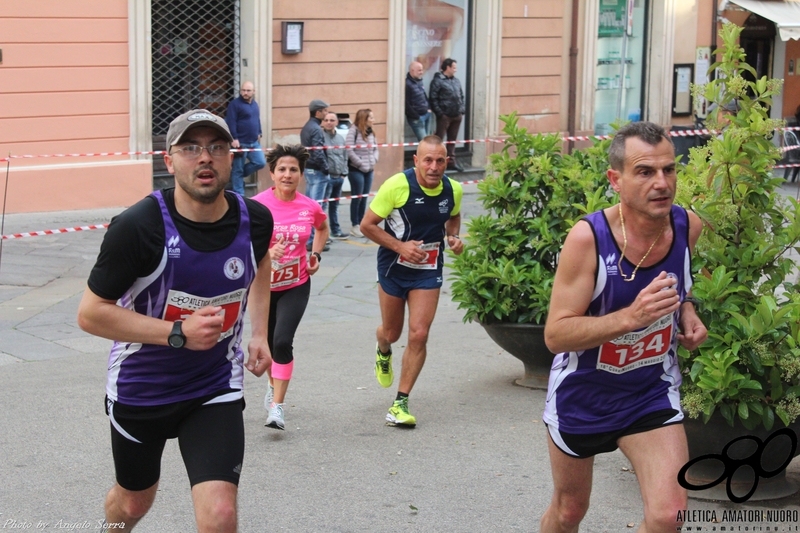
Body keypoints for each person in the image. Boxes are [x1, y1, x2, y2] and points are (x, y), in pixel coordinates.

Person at [76, 109, 275, 532]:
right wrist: (177, 333)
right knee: (132, 505)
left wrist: (259, 333)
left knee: (220, 515)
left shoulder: (254, 219)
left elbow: (260, 262)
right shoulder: (138, 226)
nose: (205, 158)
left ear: (231, 158)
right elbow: (91, 313)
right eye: (190, 148)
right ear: (169, 161)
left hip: (214, 386)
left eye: (216, 148)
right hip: (142, 388)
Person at [540, 121, 708, 533]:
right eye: (645, 172)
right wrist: (631, 318)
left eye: (669, 170)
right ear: (616, 180)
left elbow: (682, 282)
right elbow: (556, 334)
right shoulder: (588, 239)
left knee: (670, 515)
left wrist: (687, 309)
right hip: (584, 396)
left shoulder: (688, 227)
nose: (662, 182)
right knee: (568, 511)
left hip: (649, 391)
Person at [360, 135, 463, 427]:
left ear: (447, 162)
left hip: (429, 269)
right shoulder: (397, 186)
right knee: (393, 332)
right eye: (427, 160)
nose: (433, 167)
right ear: (416, 161)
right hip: (394, 267)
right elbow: (366, 225)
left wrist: (453, 237)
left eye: (440, 160)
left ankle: (400, 403)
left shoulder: (453, 189)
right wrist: (400, 246)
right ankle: (383, 348)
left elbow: (453, 218)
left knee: (419, 333)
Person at [251, 144, 330, 430]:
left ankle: (277, 407)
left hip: (296, 284)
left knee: (283, 341)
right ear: (271, 174)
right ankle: (274, 386)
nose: (287, 174)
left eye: (293, 170)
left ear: (301, 174)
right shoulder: (257, 206)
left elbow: (322, 228)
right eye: (281, 169)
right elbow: (240, 243)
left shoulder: (310, 206)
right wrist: (265, 255)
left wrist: (315, 254)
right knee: (270, 345)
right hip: (263, 288)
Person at [300, 98, 332, 250]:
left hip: (309, 169)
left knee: (309, 205)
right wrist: (326, 168)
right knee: (316, 207)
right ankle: (312, 240)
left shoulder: (307, 127)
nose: (326, 115)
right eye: (324, 111)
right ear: (318, 112)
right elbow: (317, 151)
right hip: (317, 171)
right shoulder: (316, 129)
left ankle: (308, 238)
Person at [225, 81, 266, 196]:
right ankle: (240, 197)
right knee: (237, 169)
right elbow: (231, 121)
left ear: (253, 92)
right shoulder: (235, 104)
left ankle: (236, 177)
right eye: (243, 90)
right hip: (241, 143)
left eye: (248, 91)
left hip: (254, 142)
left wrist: (259, 132)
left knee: (260, 162)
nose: (245, 93)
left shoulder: (255, 104)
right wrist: (234, 138)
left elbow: (257, 119)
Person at [346, 109, 379, 238]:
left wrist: (374, 160)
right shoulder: (353, 130)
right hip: (356, 170)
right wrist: (360, 163)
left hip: (369, 170)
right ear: (364, 119)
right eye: (371, 117)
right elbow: (349, 150)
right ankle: (355, 225)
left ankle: (361, 223)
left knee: (364, 197)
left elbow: (375, 148)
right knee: (357, 197)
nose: (373, 119)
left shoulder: (371, 132)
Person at [429, 58, 465, 172]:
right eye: (454, 67)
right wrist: (441, 114)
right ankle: (437, 163)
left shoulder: (456, 81)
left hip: (456, 115)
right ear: (447, 67)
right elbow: (433, 98)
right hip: (445, 116)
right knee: (439, 140)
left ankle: (451, 162)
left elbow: (461, 96)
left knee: (452, 141)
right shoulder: (438, 81)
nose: (456, 70)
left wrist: (461, 110)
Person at [321, 112, 349, 240]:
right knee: (324, 207)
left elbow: (345, 156)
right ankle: (323, 234)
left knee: (335, 206)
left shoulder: (340, 138)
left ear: (337, 122)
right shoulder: (321, 137)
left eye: (332, 120)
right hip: (327, 177)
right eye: (326, 120)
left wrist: (344, 173)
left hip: (339, 177)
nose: (328, 122)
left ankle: (336, 230)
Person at [406, 61, 432, 141]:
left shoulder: (419, 81)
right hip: (417, 118)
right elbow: (406, 103)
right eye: (419, 70)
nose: (421, 72)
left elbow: (424, 95)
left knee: (427, 141)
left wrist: (429, 109)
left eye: (422, 70)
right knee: (424, 142)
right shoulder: (407, 84)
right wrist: (416, 116)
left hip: (426, 114)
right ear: (412, 70)